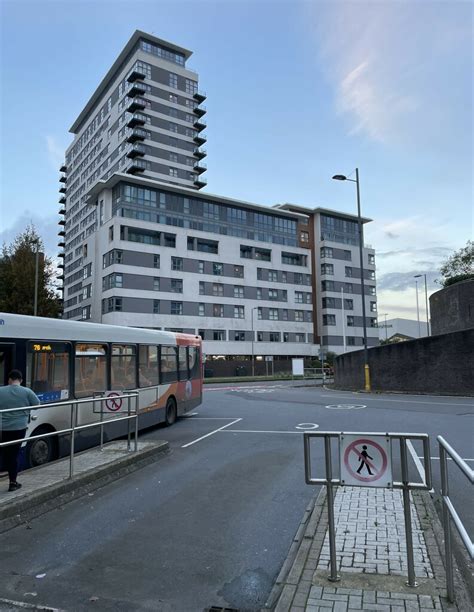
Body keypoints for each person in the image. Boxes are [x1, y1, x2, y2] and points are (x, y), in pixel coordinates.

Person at [0, 370, 40, 492]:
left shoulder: (1, 390)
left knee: (4, 452)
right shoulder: (26, 391)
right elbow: (37, 404)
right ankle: (13, 482)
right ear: (21, 380)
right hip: (19, 428)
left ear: (9, 379)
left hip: (2, 428)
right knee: (14, 454)